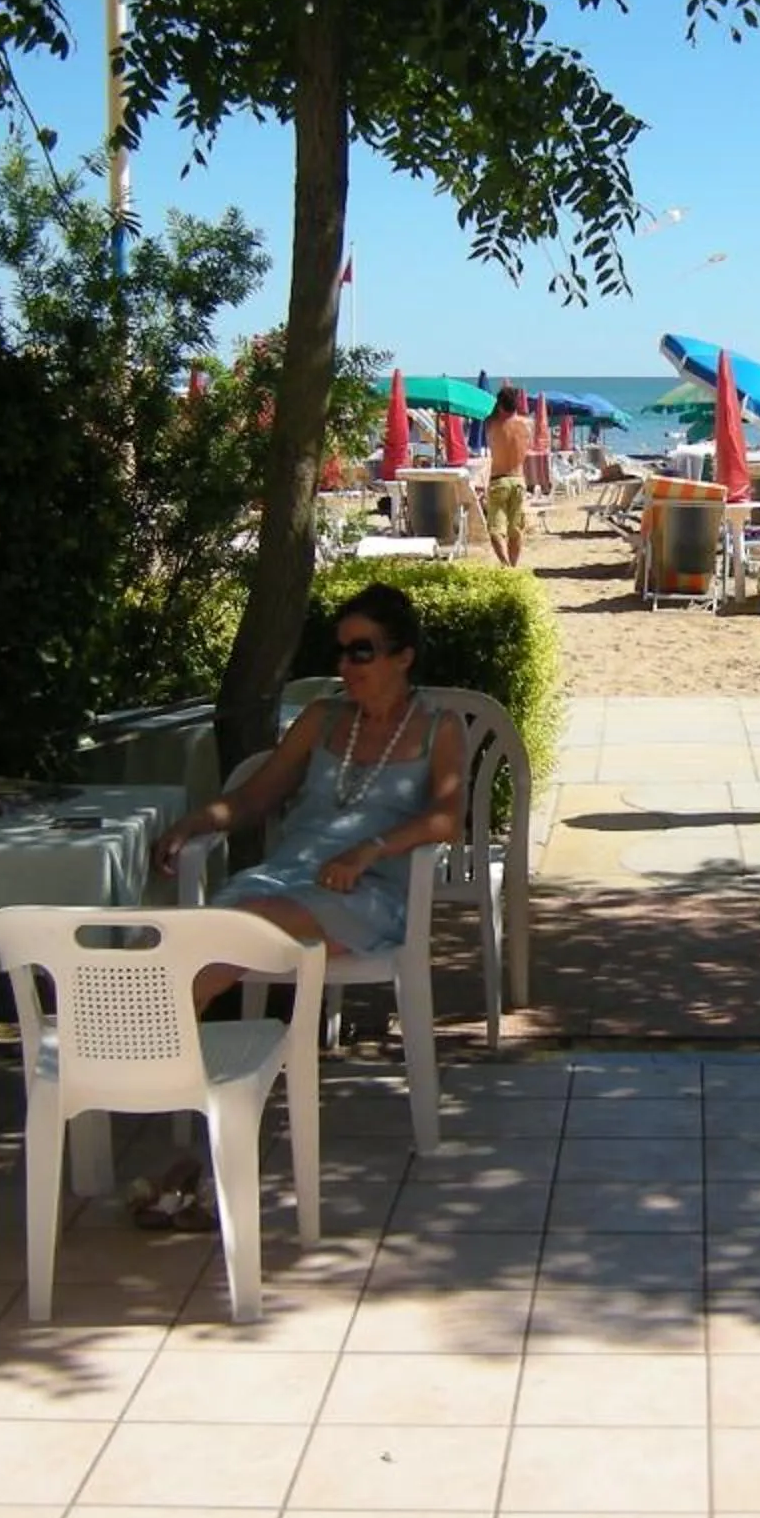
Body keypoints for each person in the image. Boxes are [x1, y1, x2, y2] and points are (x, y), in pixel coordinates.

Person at [141, 585, 464, 1227]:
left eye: (362, 651)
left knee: (218, 940)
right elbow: (255, 797)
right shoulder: (323, 718)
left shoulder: (437, 728)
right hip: (284, 881)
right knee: (206, 938)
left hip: (366, 897)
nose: (346, 664)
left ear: (403, 656)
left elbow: (446, 819)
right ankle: (202, 1147)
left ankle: (136, 1072)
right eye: (341, 650)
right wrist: (194, 823)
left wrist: (371, 850)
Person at [481, 385, 533, 566]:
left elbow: (489, 417)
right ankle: (514, 566)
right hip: (519, 479)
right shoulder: (528, 424)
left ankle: (506, 566)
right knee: (516, 530)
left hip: (499, 480)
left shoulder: (492, 424)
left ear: (499, 404)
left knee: (496, 530)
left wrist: (498, 405)